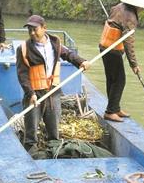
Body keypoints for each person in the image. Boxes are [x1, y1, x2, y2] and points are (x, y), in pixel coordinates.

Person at [16, 15, 90, 150]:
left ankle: (53, 152)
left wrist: (81, 61)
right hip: (34, 95)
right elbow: (22, 75)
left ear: (44, 28)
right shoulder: (24, 49)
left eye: (35, 29)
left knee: (54, 130)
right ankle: (31, 153)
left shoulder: (55, 43)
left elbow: (68, 54)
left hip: (53, 92)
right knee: (31, 131)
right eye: (29, 30)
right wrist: (30, 93)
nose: (32, 33)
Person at [99, 0, 144, 122]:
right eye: (142, 7)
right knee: (120, 80)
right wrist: (134, 64)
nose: (142, 10)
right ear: (138, 5)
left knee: (112, 79)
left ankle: (114, 107)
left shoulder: (118, 7)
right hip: (112, 49)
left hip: (104, 46)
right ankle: (110, 111)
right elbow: (128, 41)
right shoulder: (130, 17)